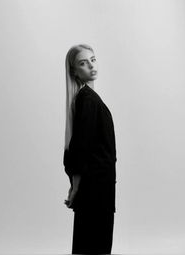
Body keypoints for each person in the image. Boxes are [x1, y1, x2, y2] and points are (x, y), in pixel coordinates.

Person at [63, 44, 117, 254]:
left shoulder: (87, 98)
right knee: (95, 244)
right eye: (83, 63)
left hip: (98, 186)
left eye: (93, 60)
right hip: (96, 188)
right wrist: (76, 186)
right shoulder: (88, 99)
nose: (91, 66)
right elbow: (79, 148)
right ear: (74, 72)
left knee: (90, 243)